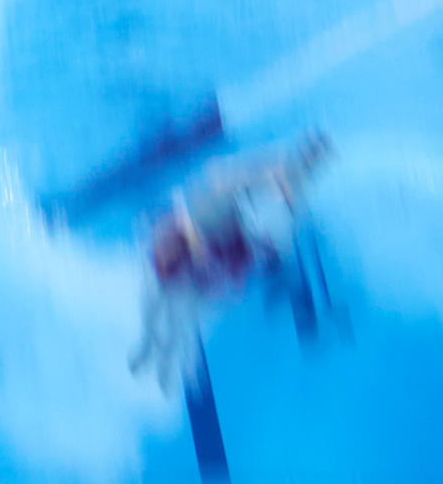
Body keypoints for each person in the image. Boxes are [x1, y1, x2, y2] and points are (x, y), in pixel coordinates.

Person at [129, 133, 334, 389]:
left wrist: (268, 254)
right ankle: (150, 348)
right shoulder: (263, 176)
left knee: (185, 313)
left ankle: (164, 359)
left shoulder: (287, 200)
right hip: (200, 237)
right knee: (161, 299)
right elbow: (216, 190)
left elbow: (270, 238)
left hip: (221, 250)